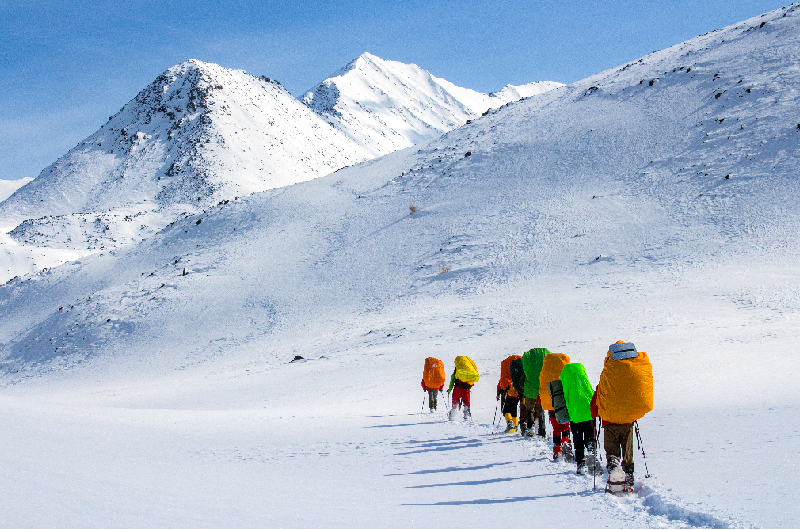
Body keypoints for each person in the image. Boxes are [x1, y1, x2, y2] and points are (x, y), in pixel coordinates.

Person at [591, 340, 653, 492]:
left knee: (612, 451)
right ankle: (629, 478)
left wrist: (594, 414)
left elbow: (596, 399)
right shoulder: (631, 378)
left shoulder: (607, 378)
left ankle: (613, 468)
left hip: (609, 422)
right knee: (628, 451)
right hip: (628, 422)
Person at [560, 362, 601, 475]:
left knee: (577, 440)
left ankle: (580, 464)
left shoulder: (565, 380)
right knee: (589, 435)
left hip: (574, 415)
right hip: (588, 412)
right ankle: (590, 448)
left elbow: (563, 398)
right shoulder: (583, 378)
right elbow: (591, 393)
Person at [540, 353, 572, 461]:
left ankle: (557, 449)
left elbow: (542, 388)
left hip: (551, 405)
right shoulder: (565, 370)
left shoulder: (545, 373)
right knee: (566, 425)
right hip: (563, 402)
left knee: (556, 428)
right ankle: (566, 441)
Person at [521, 348, 548, 437]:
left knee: (530, 409)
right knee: (541, 410)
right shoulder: (543, 370)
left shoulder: (528, 370)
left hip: (530, 390)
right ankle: (542, 430)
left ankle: (530, 428)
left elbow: (521, 383)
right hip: (541, 389)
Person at [448, 355, 480, 421]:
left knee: (455, 402)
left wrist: (449, 389)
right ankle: (467, 415)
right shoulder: (469, 371)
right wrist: (468, 388)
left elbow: (452, 380)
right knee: (466, 402)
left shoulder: (457, 371)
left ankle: (453, 416)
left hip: (457, 388)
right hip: (466, 389)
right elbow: (471, 382)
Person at [497, 354, 522, 433]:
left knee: (505, 410)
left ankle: (510, 423)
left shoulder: (506, 367)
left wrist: (499, 392)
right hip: (518, 391)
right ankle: (515, 427)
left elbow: (501, 382)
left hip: (508, 391)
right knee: (514, 409)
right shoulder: (518, 369)